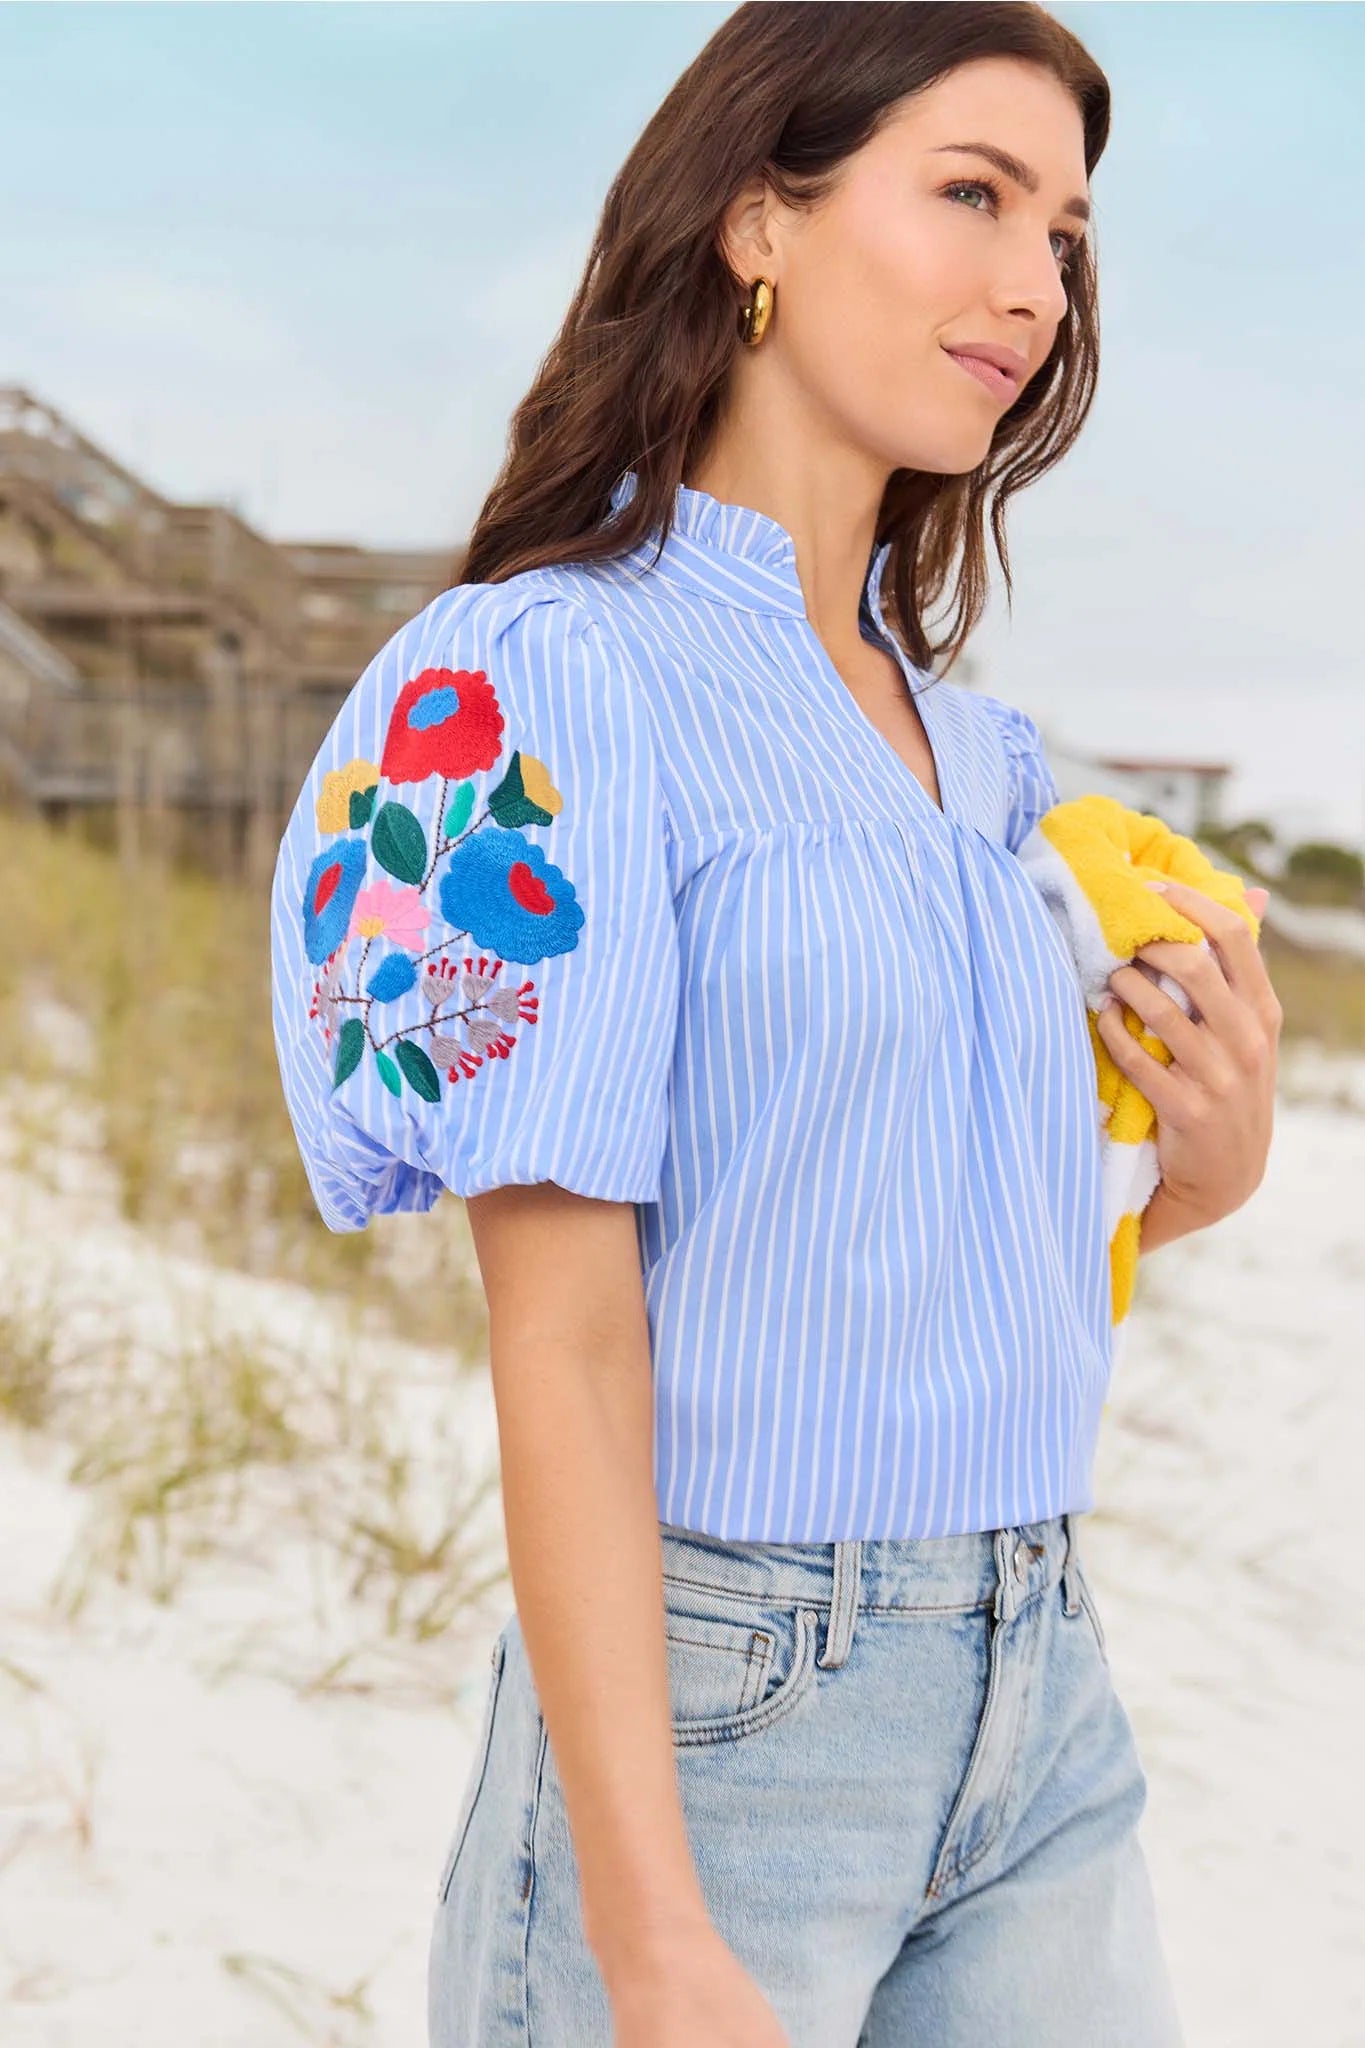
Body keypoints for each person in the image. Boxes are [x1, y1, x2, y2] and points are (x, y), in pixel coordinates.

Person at [268, 5, 1282, 2043]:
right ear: (756, 214)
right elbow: (561, 1336)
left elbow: (888, 1260)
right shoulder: (537, 677)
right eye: (971, 195)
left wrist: (1197, 1178)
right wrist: (650, 1937)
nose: (1030, 283)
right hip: (720, 1716)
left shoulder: (982, 756)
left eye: (1063, 232)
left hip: (1036, 1690)